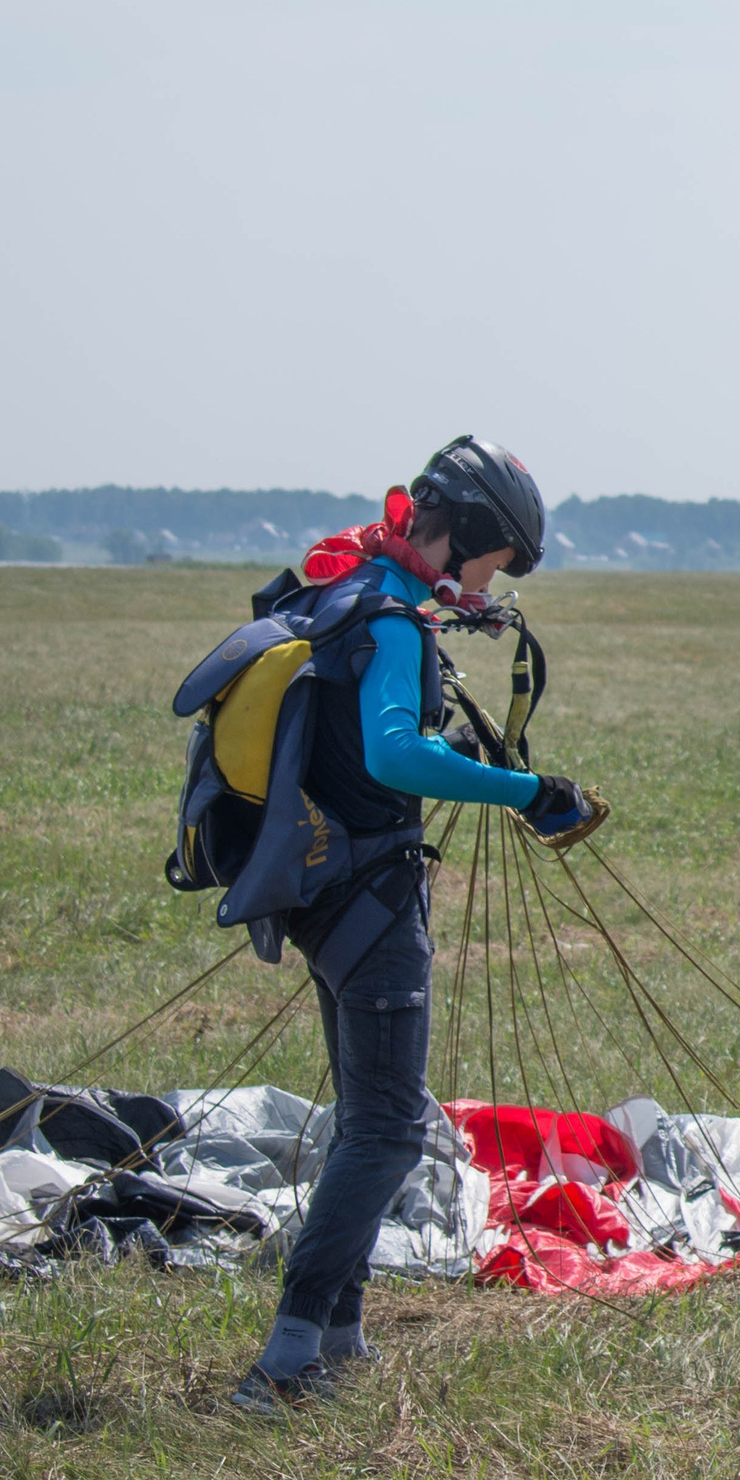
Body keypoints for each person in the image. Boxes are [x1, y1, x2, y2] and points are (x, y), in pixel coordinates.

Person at [232, 436, 591, 1415]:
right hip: (371, 901)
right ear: (469, 533)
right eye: (496, 559)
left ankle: (338, 1338)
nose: (493, 579)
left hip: (320, 890)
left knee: (367, 1118)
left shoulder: (344, 592)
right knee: (390, 1131)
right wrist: (525, 789)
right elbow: (393, 756)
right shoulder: (389, 619)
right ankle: (286, 1358)